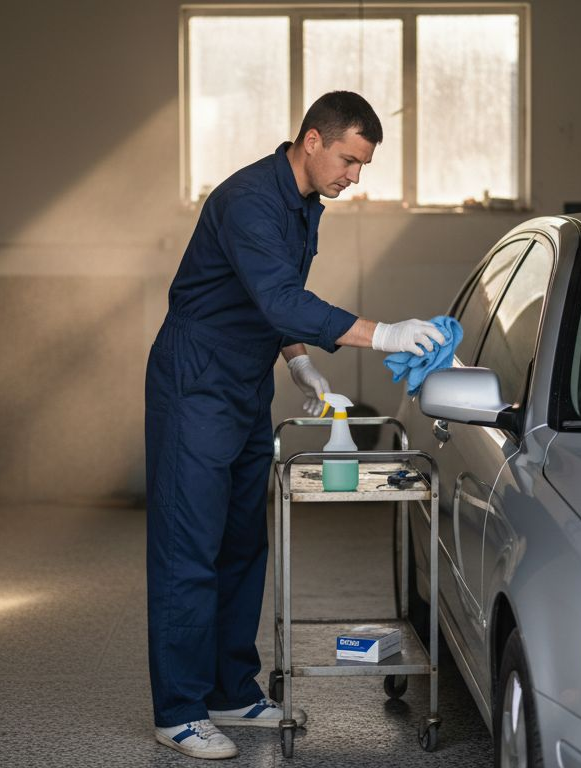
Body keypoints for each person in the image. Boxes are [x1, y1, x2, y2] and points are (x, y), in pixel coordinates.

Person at [147, 91, 445, 760]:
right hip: (196, 381)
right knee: (188, 547)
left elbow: (268, 299)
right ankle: (177, 709)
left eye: (362, 165)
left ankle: (230, 690)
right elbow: (282, 296)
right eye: (348, 160)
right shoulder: (249, 199)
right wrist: (384, 333)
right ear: (312, 140)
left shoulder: (304, 203)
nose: (353, 176)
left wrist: (298, 361)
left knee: (242, 543)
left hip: (245, 382)